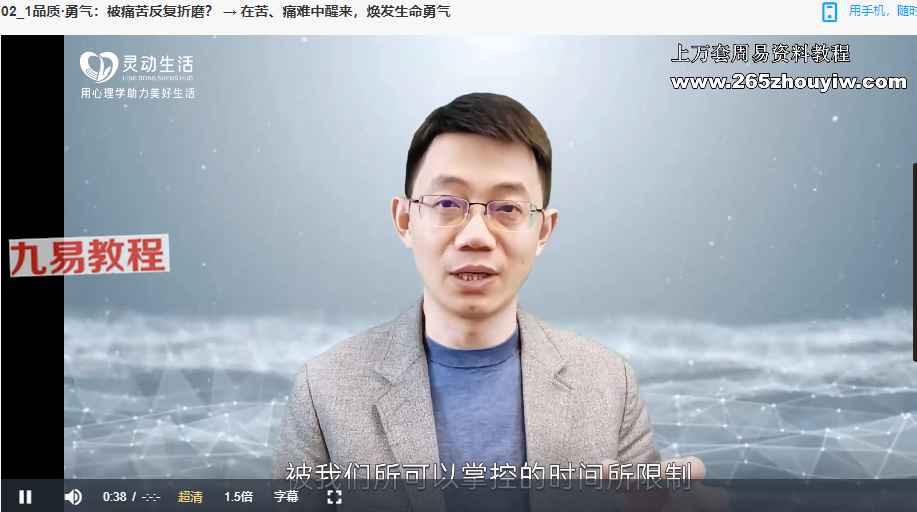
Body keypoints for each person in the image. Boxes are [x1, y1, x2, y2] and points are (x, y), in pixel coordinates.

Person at [273, 92, 705, 486]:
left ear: (543, 230)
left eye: (508, 208)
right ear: (404, 220)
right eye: (447, 204)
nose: (476, 236)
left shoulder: (609, 383)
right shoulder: (324, 389)